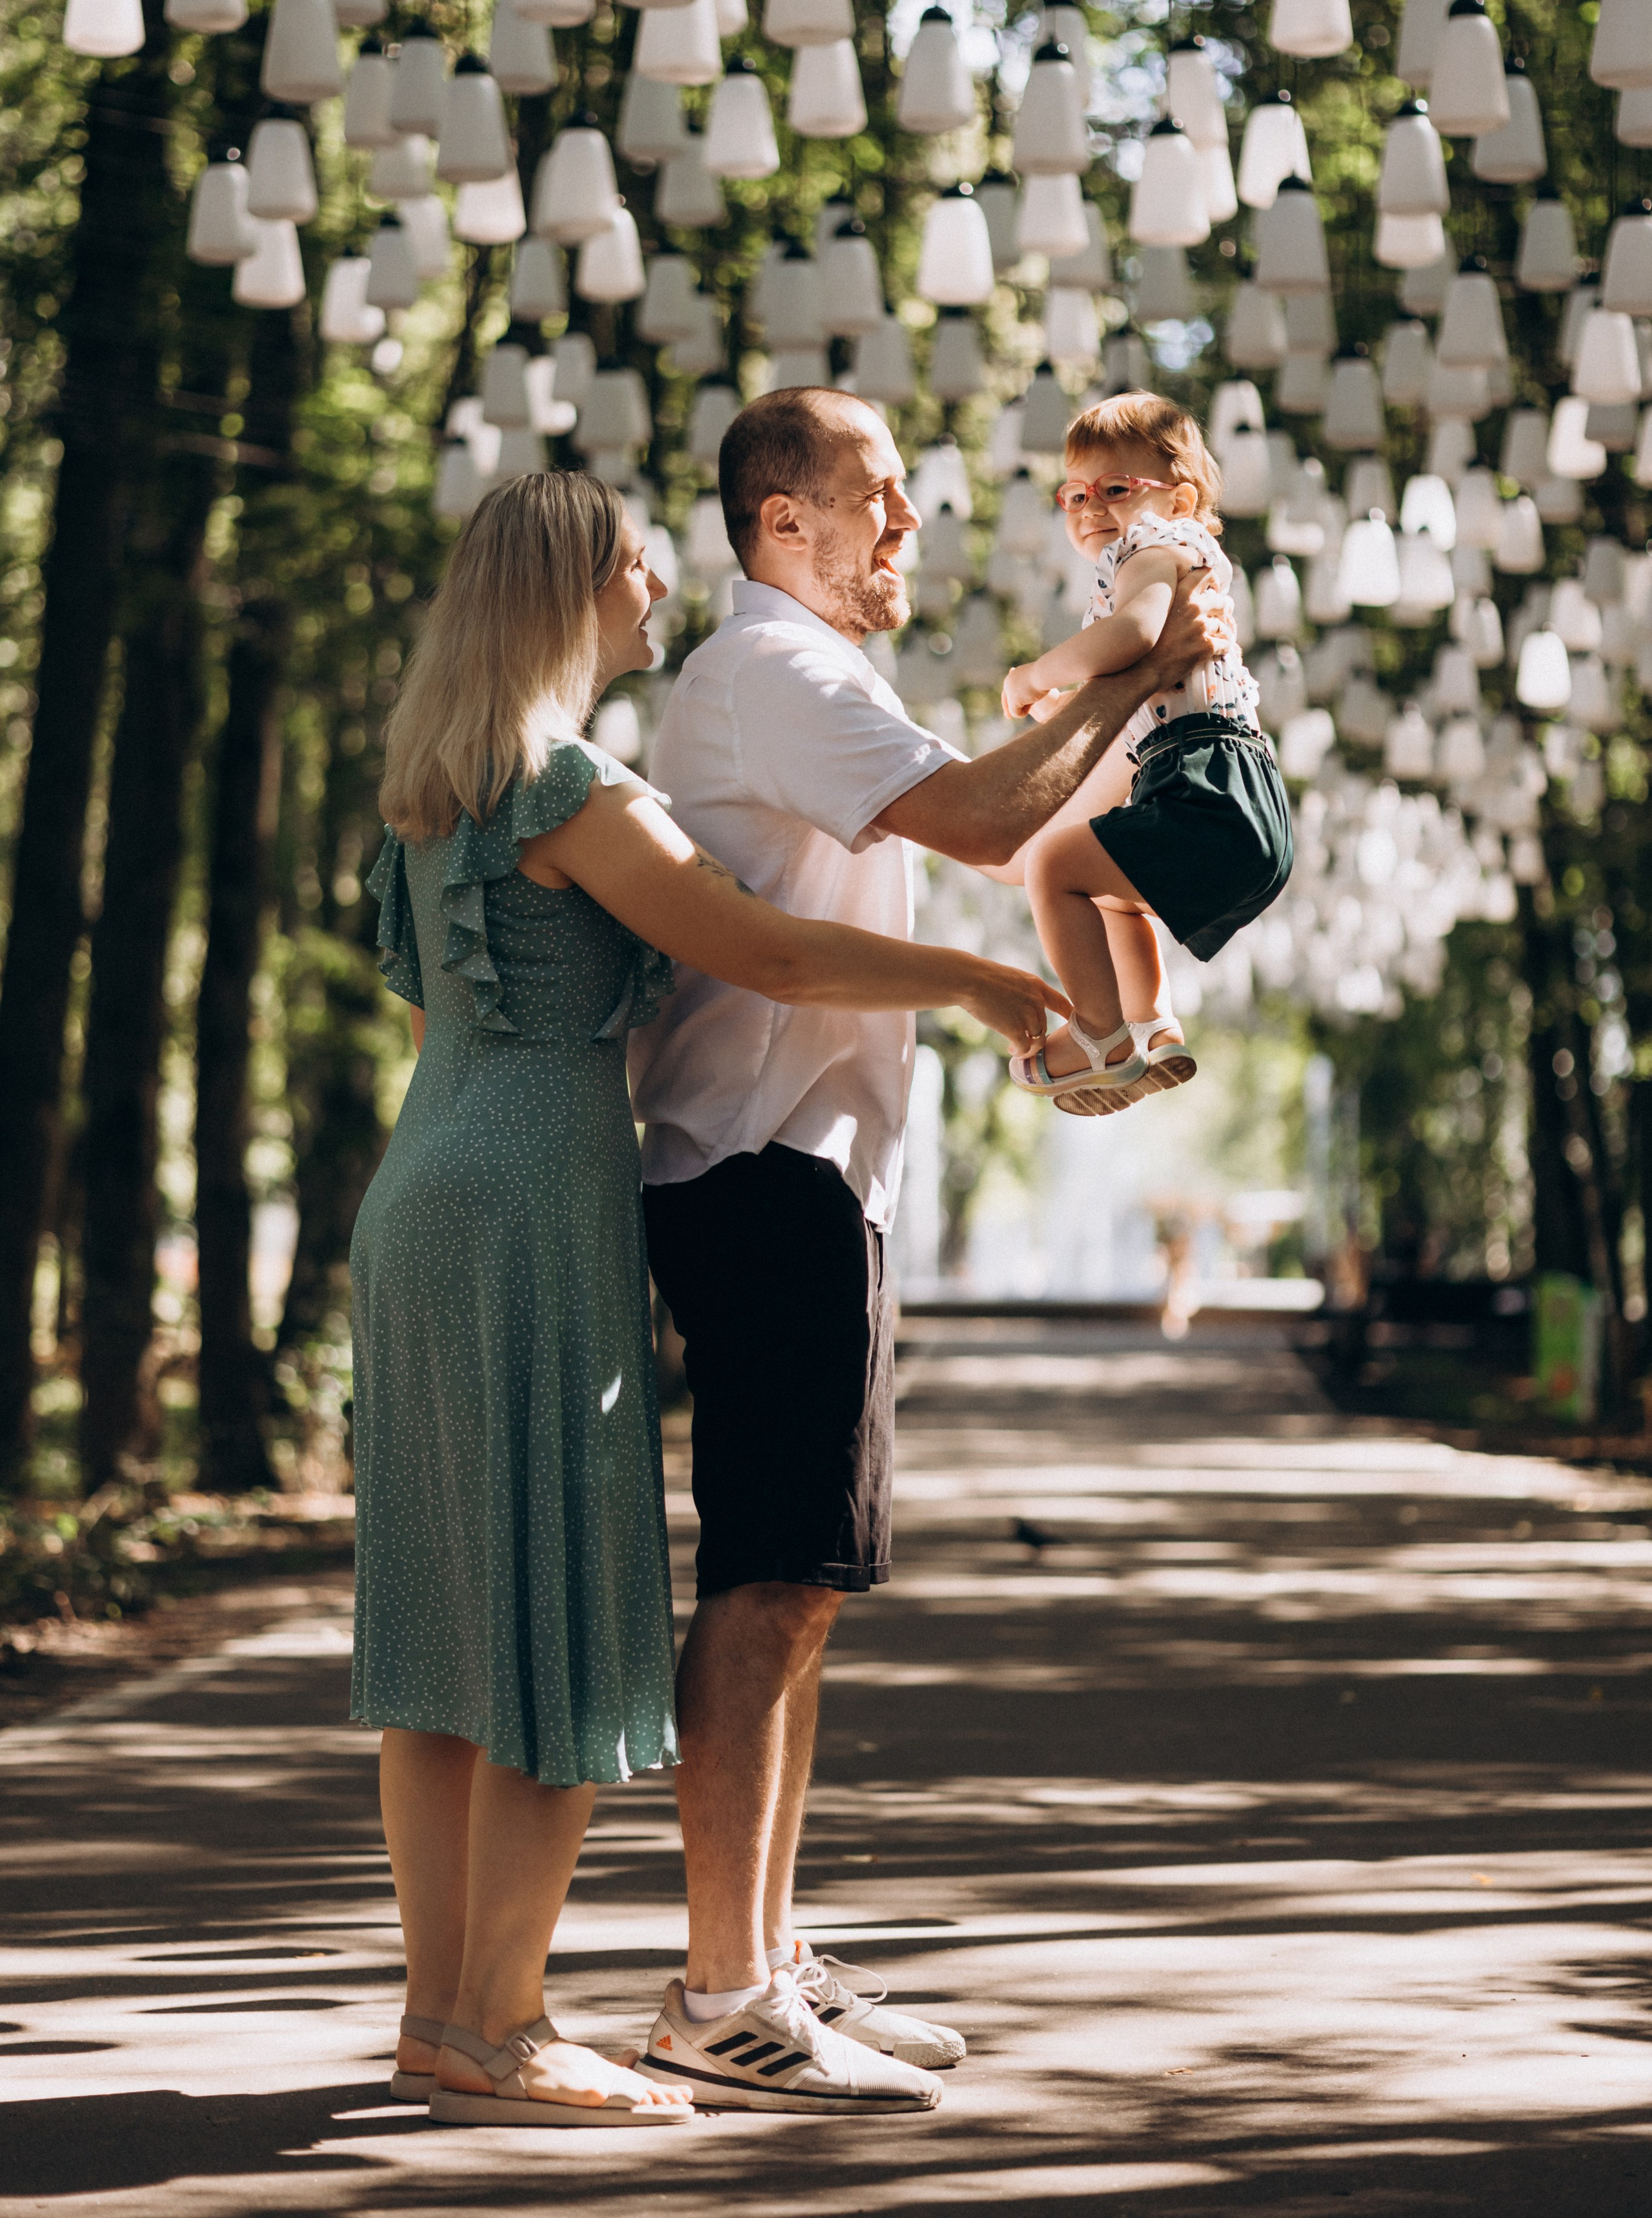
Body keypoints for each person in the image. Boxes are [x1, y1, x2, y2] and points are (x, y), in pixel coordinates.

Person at [350, 471, 1067, 2128]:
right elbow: (773, 952)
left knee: (445, 1622)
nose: (659, 589)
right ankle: (510, 2026)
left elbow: (431, 1030)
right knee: (548, 1607)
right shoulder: (568, 786)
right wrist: (981, 979)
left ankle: (438, 2014)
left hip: (422, 1190)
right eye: (635, 567)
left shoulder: (426, 791)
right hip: (534, 1192)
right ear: (569, 591)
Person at [628, 387, 1234, 2112]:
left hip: (810, 1171)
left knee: (806, 1584)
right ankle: (720, 1987)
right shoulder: (775, 672)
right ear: (779, 527)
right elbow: (981, 825)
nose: (908, 525)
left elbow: (969, 832)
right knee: (769, 1577)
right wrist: (1133, 652)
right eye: (873, 498)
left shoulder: (809, 676)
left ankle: (764, 1948)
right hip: (759, 1168)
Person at [1000, 393, 1291, 1117]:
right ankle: (1152, 1023)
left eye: (1114, 489)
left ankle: (1099, 1032)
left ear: (1179, 498)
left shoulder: (1155, 547)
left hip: (1205, 785)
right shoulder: (1155, 568)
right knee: (1102, 885)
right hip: (1236, 803)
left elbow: (1131, 638)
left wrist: (1036, 674)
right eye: (1073, 494)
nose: (1088, 507)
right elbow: (1132, 691)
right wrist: (1066, 711)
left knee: (1053, 865)